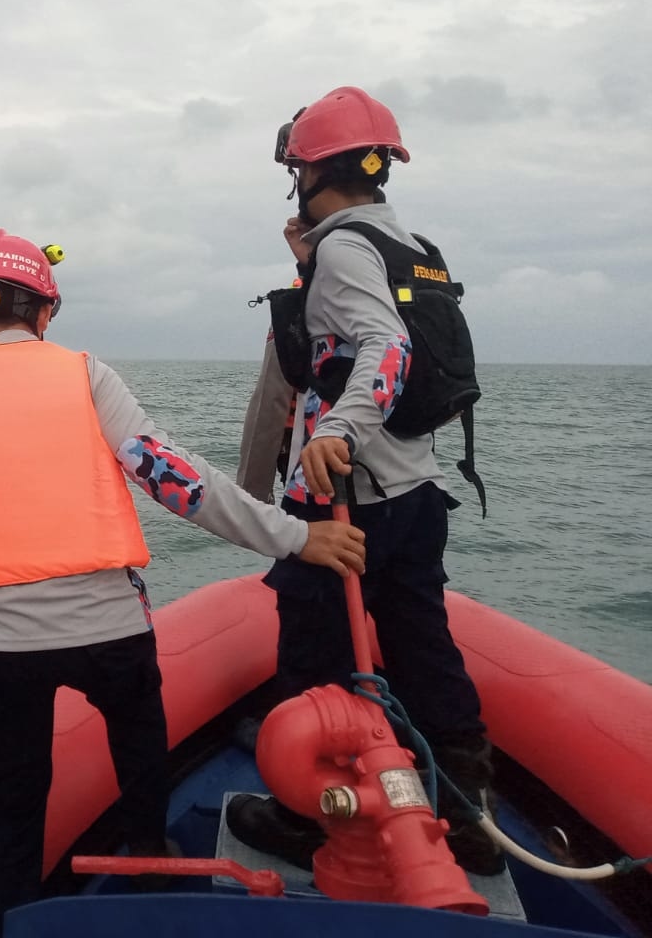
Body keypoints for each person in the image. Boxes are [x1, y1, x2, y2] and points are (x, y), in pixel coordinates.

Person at [0, 228, 366, 938]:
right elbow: (178, 480)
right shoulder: (86, 375)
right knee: (141, 747)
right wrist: (298, 536)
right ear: (45, 312)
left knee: (1, 810)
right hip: (109, 631)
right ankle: (149, 853)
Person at [226, 86, 501, 875]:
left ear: (311, 172)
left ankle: (304, 817)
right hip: (416, 493)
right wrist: (307, 266)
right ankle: (471, 820)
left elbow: (385, 346)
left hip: (347, 502)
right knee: (424, 650)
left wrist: (338, 430)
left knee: (310, 658)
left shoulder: (345, 249)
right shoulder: (408, 244)